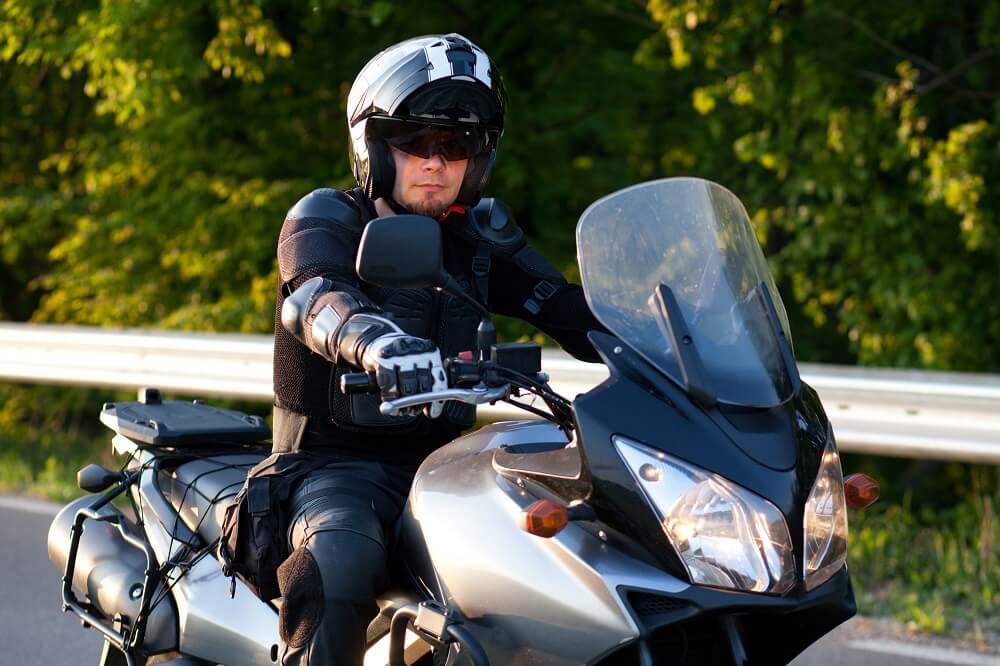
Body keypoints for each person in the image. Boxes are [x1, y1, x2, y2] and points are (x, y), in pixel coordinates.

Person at [271, 33, 605, 665]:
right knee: (338, 562)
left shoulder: (476, 239)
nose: (436, 161)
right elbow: (315, 297)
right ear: (374, 146)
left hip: (449, 469)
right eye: (414, 140)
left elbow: (560, 304)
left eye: (456, 145)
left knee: (578, 558)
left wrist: (664, 331)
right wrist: (374, 342)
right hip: (331, 470)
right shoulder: (327, 219)